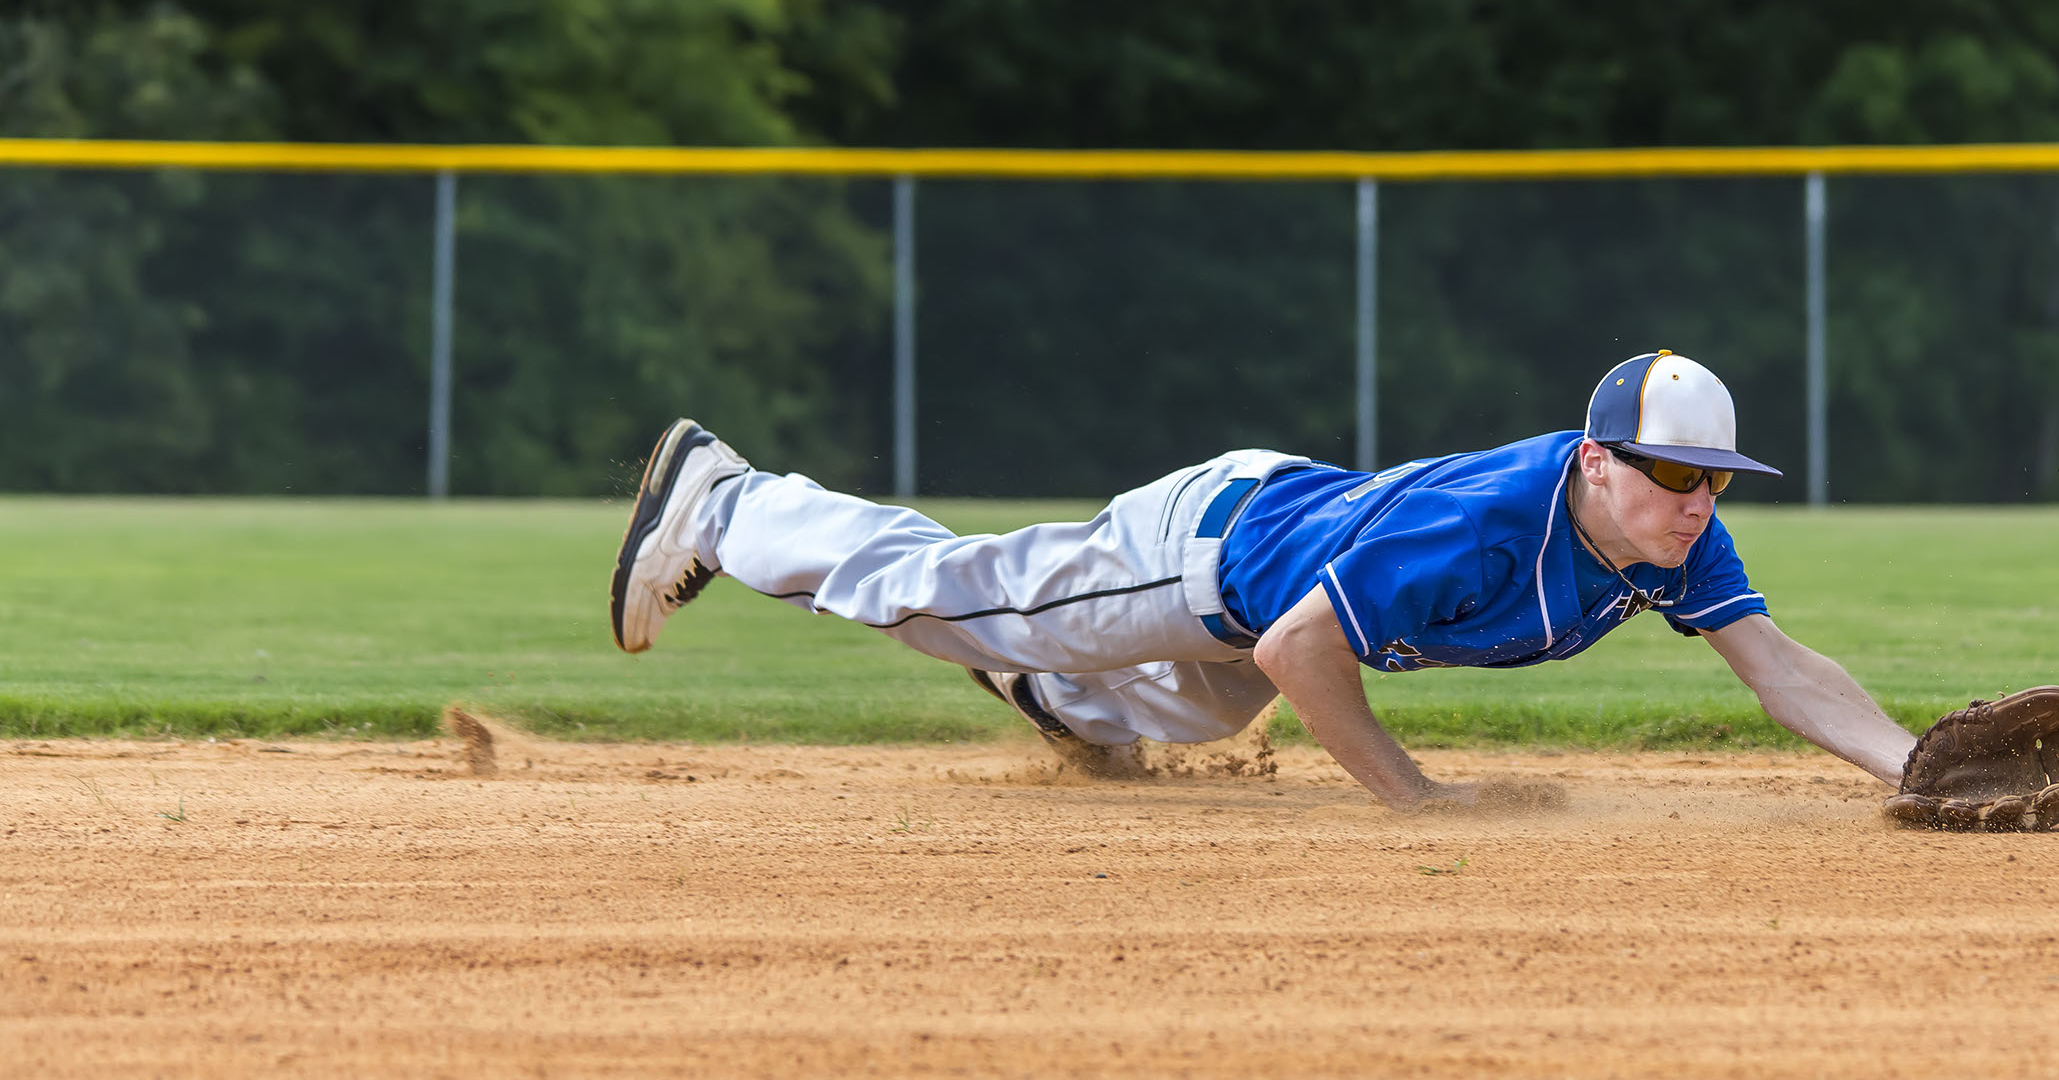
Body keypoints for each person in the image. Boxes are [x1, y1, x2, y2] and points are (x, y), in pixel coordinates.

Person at [609, 351, 1918, 809]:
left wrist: (1914, 766)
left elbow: (1779, 666)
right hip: (1209, 549)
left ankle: (1051, 699)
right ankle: (729, 500)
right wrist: (1416, 799)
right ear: (1594, 460)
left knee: (1193, 710)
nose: (1696, 499)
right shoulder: (1479, 530)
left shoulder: (1672, 537)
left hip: (1271, 571)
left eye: (1714, 478)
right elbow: (1303, 652)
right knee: (955, 599)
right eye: (1671, 472)